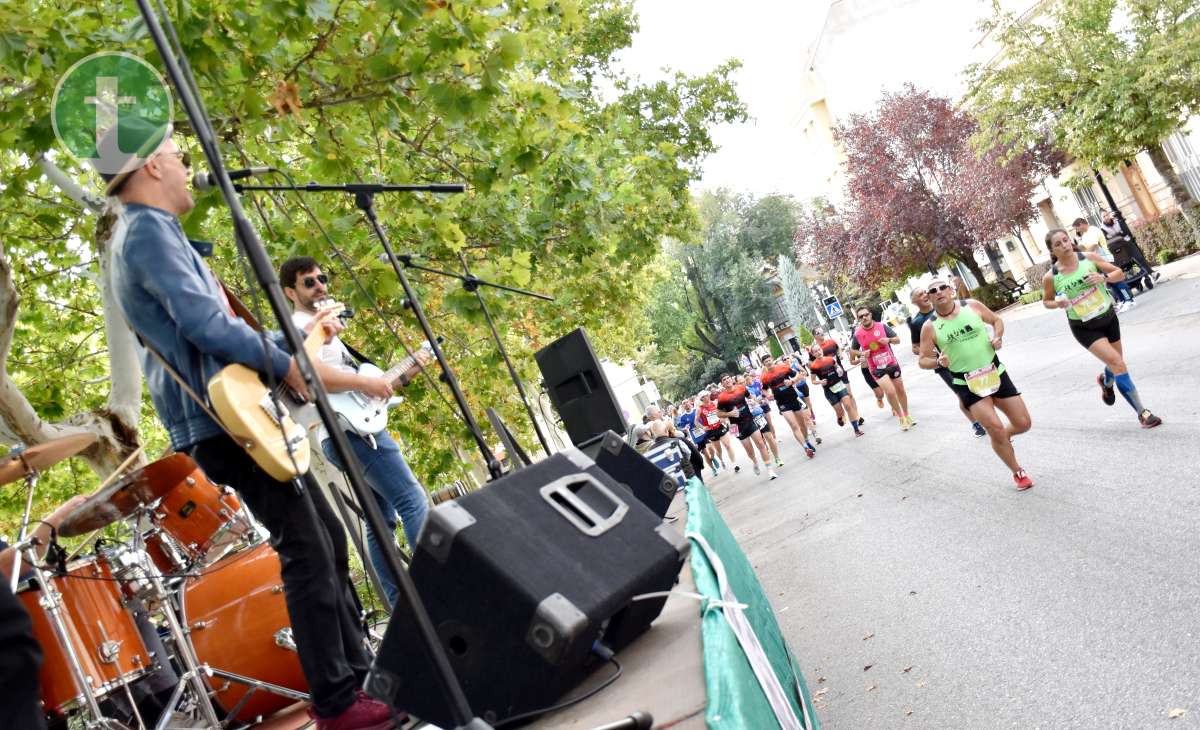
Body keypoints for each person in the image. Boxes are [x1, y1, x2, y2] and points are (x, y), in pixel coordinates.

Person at [105, 122, 395, 729]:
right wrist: (289, 360)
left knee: (326, 537)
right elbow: (208, 328)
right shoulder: (147, 232)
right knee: (308, 547)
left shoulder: (147, 233)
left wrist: (289, 338)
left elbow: (210, 331)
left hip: (225, 416)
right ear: (151, 166)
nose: (187, 167)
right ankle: (338, 702)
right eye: (177, 156)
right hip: (220, 421)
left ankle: (359, 680)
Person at [280, 256, 432, 610]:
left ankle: (399, 607)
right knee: (413, 500)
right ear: (290, 291)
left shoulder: (323, 326)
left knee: (381, 522)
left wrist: (404, 372)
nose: (319, 286)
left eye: (322, 278)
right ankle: (437, 584)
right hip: (352, 434)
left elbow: (365, 391)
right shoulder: (303, 327)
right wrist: (367, 381)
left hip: (348, 430)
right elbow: (309, 375)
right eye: (309, 282)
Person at [918, 277, 1034, 490]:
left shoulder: (971, 306)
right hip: (967, 383)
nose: (939, 291)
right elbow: (922, 360)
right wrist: (938, 362)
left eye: (943, 287)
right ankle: (1018, 472)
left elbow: (996, 321)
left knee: (1023, 423)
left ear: (951, 290)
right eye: (933, 290)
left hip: (994, 372)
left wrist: (997, 337)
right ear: (930, 298)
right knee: (995, 428)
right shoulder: (930, 326)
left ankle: (1004, 437)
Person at [1042, 229, 1163, 428]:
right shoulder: (1051, 277)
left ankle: (1106, 382)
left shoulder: (1088, 258)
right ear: (1052, 251)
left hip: (1108, 317)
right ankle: (1143, 413)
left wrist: (1103, 279)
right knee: (1117, 363)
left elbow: (1119, 273)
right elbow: (1046, 301)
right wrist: (1058, 303)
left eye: (1066, 240)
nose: (1064, 245)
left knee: (1116, 364)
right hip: (1085, 327)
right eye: (1058, 244)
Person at [909, 285, 987, 438]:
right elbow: (915, 347)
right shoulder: (917, 323)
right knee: (962, 393)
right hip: (944, 364)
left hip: (963, 355)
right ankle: (976, 423)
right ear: (914, 301)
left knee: (979, 386)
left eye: (925, 291)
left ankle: (987, 416)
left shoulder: (944, 308)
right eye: (920, 294)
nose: (925, 294)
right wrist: (929, 353)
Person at [850, 306, 915, 430]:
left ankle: (907, 415)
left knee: (900, 389)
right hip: (876, 368)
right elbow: (853, 352)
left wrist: (888, 340)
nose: (864, 317)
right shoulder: (858, 334)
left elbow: (897, 340)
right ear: (858, 319)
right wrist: (862, 354)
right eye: (861, 316)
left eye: (866, 314)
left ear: (870, 314)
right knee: (890, 392)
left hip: (891, 363)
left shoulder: (882, 326)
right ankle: (901, 418)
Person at [714, 375, 779, 478]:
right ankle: (754, 461)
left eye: (728, 378)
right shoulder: (722, 397)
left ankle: (769, 469)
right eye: (724, 380)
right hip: (736, 426)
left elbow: (751, 397)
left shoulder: (741, 388)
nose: (727, 380)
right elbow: (718, 414)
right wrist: (729, 414)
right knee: (750, 451)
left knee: (761, 444)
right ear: (722, 384)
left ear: (731, 380)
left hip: (749, 420)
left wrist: (753, 401)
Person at [760, 354, 817, 457]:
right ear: (764, 365)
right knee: (794, 426)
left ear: (772, 359)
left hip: (793, 398)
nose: (768, 363)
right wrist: (768, 395)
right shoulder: (765, 377)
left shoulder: (783, 367)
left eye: (769, 360)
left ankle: (806, 441)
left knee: (802, 425)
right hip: (782, 403)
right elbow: (764, 389)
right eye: (766, 362)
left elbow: (799, 374)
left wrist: (792, 381)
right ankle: (805, 447)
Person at [1073, 218, 1134, 312]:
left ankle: (1129, 299)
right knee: (1110, 281)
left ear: (1081, 224)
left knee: (1116, 279)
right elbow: (1083, 247)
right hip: (1098, 260)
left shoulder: (1093, 230)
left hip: (1105, 258)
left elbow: (1093, 245)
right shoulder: (1085, 235)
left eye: (1077, 228)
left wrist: (1085, 256)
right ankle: (1122, 300)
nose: (1077, 231)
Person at [807, 343, 864, 437]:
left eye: (819, 349)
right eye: (815, 351)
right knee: (840, 412)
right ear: (813, 354)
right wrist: (820, 382)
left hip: (839, 384)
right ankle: (839, 417)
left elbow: (837, 366)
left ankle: (856, 430)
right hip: (829, 390)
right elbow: (813, 380)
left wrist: (839, 369)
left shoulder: (830, 359)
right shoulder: (814, 366)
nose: (818, 352)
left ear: (821, 349)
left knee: (848, 406)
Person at [1100, 210, 1159, 282]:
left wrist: (1116, 236)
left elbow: (1125, 232)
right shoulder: (1102, 229)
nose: (1106, 217)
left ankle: (1152, 274)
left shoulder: (1118, 222)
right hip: (1117, 248)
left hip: (1127, 243)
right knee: (1128, 263)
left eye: (1107, 215)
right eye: (1104, 216)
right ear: (1101, 218)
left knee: (1139, 258)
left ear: (1109, 215)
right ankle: (1137, 277)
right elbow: (1108, 239)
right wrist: (1120, 234)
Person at [695, 391, 738, 473]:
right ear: (702, 399)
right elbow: (696, 422)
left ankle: (734, 464)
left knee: (727, 445)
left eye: (707, 395)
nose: (707, 397)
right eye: (704, 396)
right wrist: (703, 427)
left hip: (720, 427)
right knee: (719, 450)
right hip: (711, 431)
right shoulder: (700, 408)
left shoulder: (715, 403)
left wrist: (725, 419)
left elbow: (723, 413)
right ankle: (721, 460)